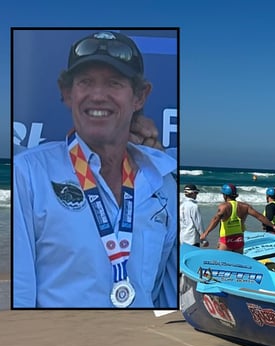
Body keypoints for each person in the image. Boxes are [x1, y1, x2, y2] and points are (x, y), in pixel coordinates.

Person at [13, 31, 178, 308]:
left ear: (139, 96)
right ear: (67, 93)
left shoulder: (163, 182)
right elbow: (21, 293)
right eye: (85, 82)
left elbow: (166, 297)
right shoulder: (28, 173)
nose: (98, 95)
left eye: (114, 83)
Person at [199, 184, 275, 253]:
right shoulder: (245, 206)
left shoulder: (224, 207)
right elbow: (259, 216)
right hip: (239, 239)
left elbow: (215, 219)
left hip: (226, 240)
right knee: (238, 265)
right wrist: (273, 226)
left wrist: (205, 233)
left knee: (222, 264)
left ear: (225, 195)